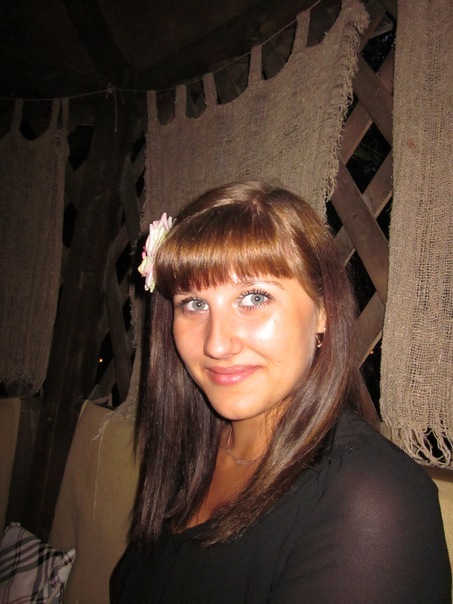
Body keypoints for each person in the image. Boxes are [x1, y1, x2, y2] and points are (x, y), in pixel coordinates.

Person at [111, 181, 451, 603]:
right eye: (194, 304)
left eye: (254, 298)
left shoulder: (374, 504)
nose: (216, 344)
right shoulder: (193, 447)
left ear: (323, 311)